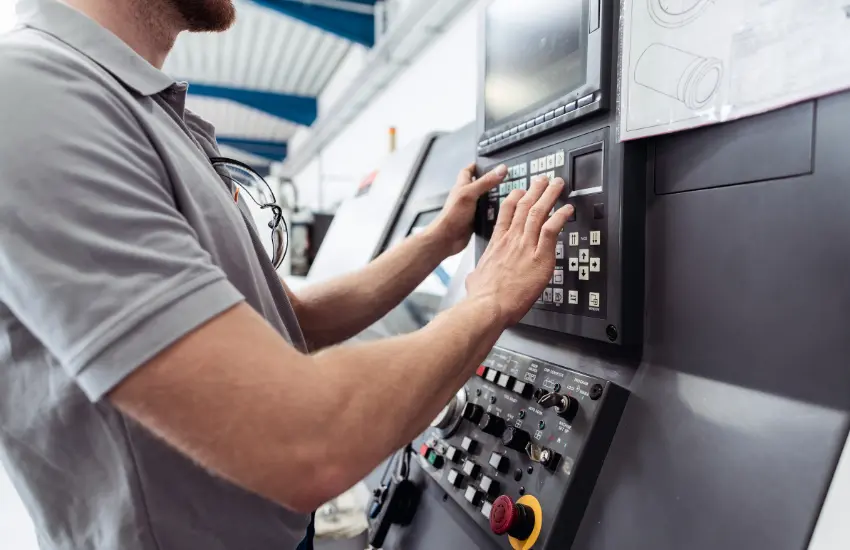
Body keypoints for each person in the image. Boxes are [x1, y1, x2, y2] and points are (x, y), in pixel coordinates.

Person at [0, 0, 574, 548]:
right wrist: (489, 300)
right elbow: (303, 438)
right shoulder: (36, 96)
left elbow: (287, 320)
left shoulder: (142, 108)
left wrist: (438, 242)